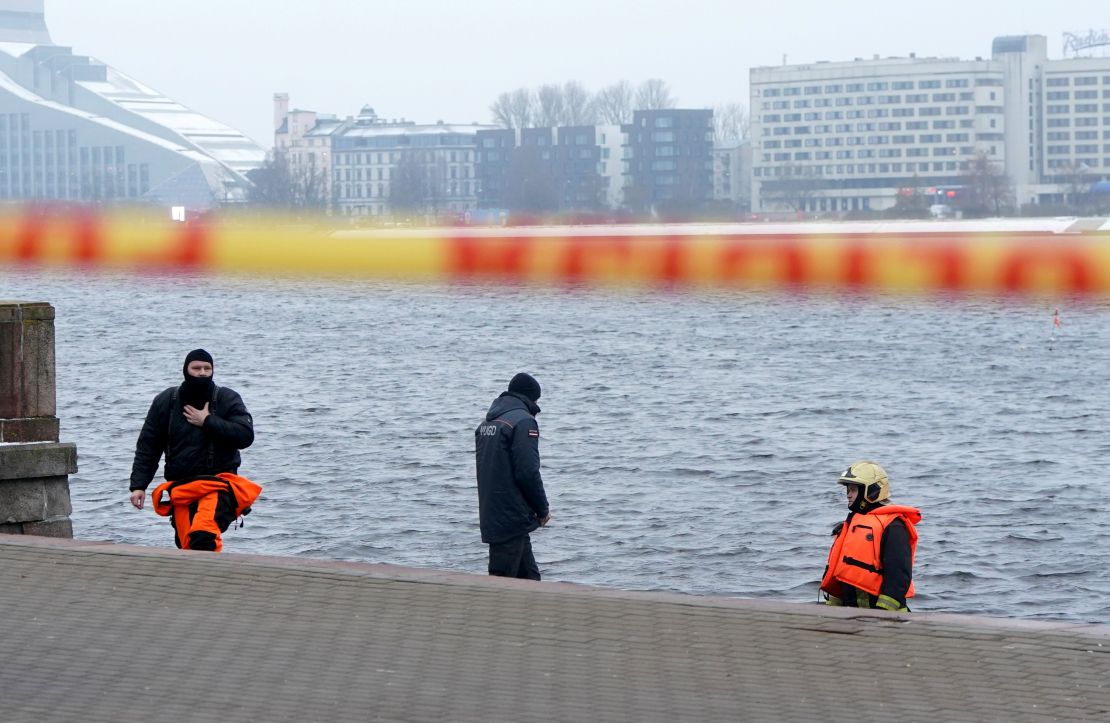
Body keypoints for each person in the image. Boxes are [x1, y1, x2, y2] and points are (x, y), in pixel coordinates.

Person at [129, 349, 255, 510]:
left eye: (207, 368)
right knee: (185, 535)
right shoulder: (165, 401)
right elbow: (148, 447)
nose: (202, 373)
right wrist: (139, 486)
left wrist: (208, 421)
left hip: (219, 485)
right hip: (181, 487)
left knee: (203, 532)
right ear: (186, 370)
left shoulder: (227, 398)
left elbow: (245, 436)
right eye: (196, 368)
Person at [475, 373, 550, 580]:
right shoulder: (523, 422)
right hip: (511, 516)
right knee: (501, 586)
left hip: (494, 511)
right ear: (531, 398)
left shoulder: (488, 423)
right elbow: (528, 472)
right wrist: (542, 510)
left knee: (531, 582)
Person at [820, 461, 921, 612]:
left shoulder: (893, 526)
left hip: (887, 619)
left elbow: (898, 576)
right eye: (848, 490)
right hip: (853, 614)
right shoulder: (851, 524)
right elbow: (841, 573)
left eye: (853, 490)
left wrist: (882, 614)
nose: (848, 495)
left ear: (871, 491)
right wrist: (832, 611)